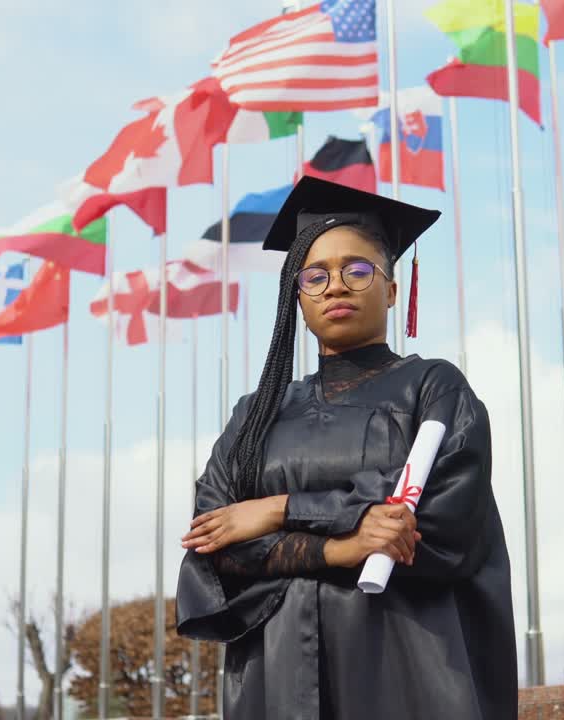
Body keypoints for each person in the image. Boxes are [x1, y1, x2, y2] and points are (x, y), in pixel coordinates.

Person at [175, 176, 516, 719]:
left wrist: (275, 510)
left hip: (409, 670)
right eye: (316, 276)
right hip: (276, 676)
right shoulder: (255, 415)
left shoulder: (432, 388)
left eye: (358, 269)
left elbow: (440, 514)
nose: (336, 285)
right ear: (297, 295)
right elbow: (215, 542)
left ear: (392, 288)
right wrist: (343, 546)